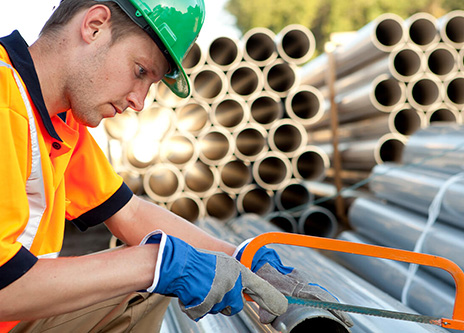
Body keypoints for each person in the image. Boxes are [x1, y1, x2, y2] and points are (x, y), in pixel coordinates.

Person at [0, 0, 353, 332]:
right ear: (94, 26)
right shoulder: (4, 103)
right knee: (147, 272)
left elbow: (130, 213)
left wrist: (245, 260)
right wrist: (154, 263)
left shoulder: (56, 120)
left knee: (147, 276)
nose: (139, 101)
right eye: (140, 71)